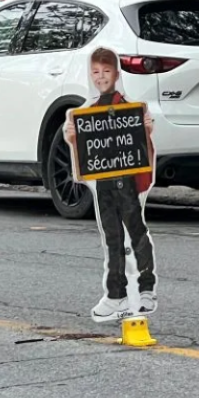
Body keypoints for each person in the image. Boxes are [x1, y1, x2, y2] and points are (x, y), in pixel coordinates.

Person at [65, 47, 158, 323]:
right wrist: (72, 138)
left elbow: (144, 149)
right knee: (112, 238)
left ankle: (146, 287)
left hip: (126, 181)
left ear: (116, 74)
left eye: (106, 71)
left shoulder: (128, 109)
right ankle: (115, 294)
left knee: (137, 232)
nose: (101, 77)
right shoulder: (88, 113)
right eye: (95, 72)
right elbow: (83, 157)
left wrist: (147, 131)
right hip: (104, 184)